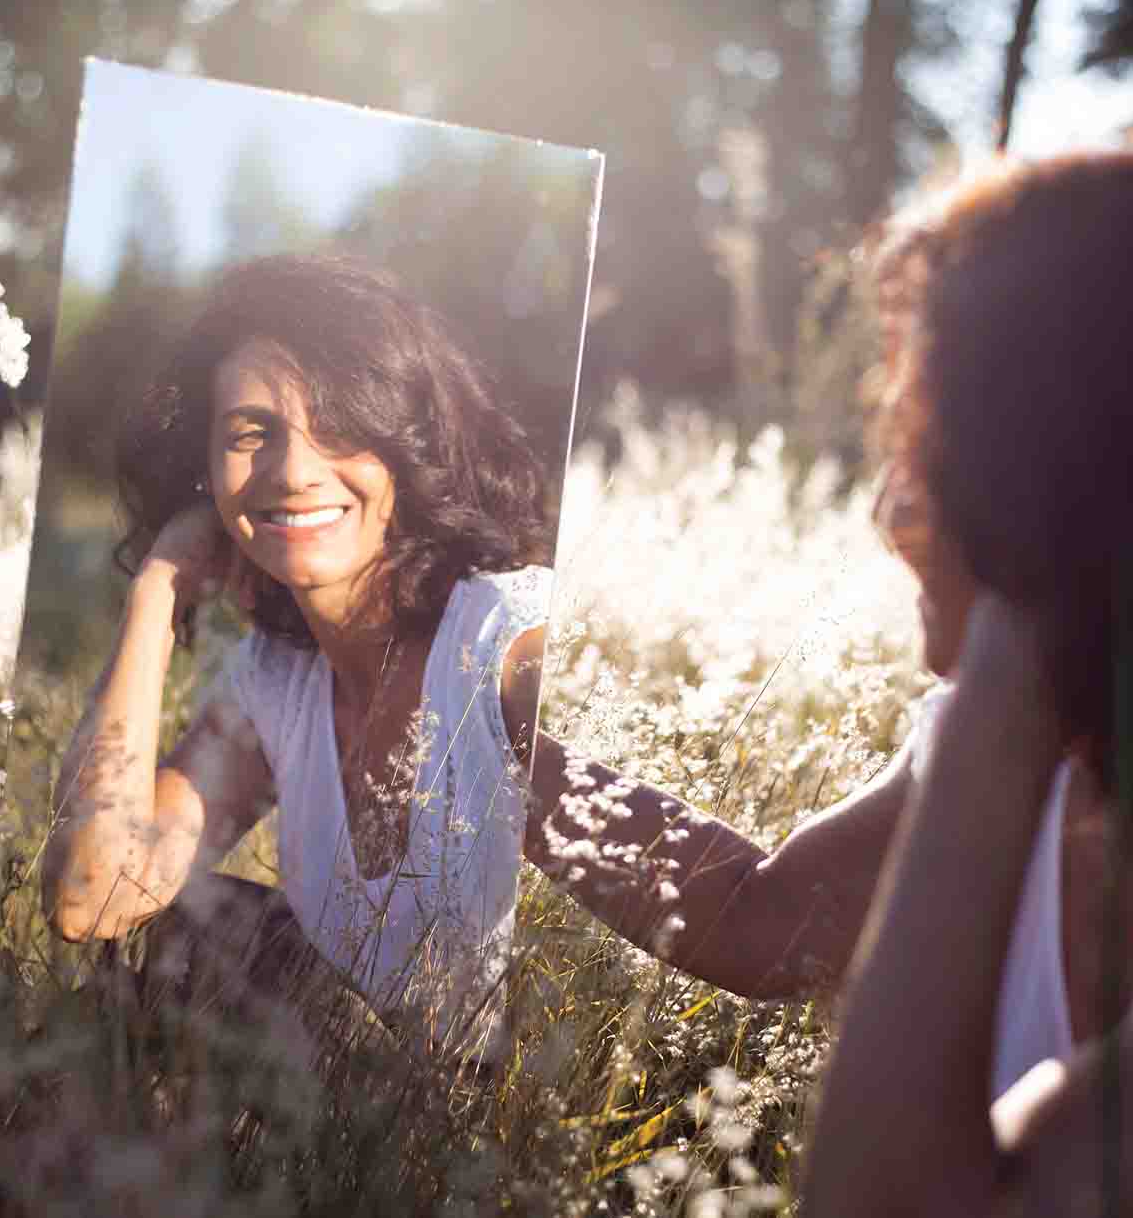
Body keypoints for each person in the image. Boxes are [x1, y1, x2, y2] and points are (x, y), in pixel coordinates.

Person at [40, 253, 799, 1064]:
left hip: (515, 1144)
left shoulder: (500, 643)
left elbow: (755, 929)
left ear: (405, 443)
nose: (294, 470)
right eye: (251, 432)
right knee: (181, 934)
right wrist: (158, 590)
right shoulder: (279, 682)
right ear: (205, 472)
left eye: (339, 423)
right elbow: (93, 896)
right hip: (361, 1133)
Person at [803, 148, 1133, 1216]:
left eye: (928, 450)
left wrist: (1014, 661)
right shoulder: (1079, 770)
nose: (893, 513)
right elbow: (754, 910)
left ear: (1043, 488)